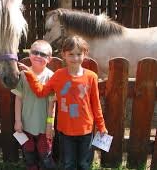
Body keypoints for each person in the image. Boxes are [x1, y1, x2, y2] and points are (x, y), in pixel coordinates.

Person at [20, 36, 108, 170]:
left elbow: (96, 104)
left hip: (86, 131)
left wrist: (101, 126)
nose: (75, 58)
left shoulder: (91, 77)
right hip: (65, 132)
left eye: (79, 54)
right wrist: (31, 75)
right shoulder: (59, 75)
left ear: (85, 54)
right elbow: (41, 92)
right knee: (68, 164)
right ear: (64, 55)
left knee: (84, 164)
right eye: (71, 54)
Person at [12, 40, 57, 170]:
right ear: (29, 54)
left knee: (45, 155)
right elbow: (18, 99)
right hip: (26, 125)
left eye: (43, 54)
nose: (38, 56)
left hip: (44, 127)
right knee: (29, 154)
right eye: (35, 52)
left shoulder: (51, 77)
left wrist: (50, 124)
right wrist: (18, 121)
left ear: (49, 59)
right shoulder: (23, 75)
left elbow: (52, 103)